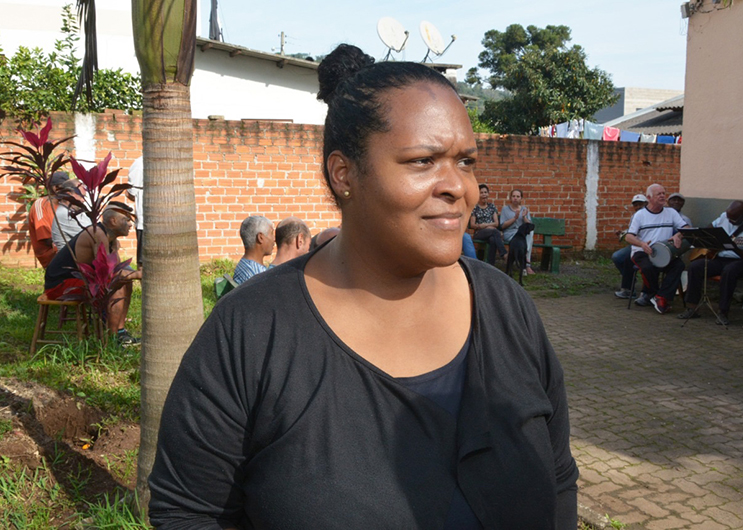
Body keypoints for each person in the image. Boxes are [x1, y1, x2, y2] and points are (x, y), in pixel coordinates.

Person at [149, 44, 578, 529]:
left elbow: (559, 475)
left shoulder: (507, 308)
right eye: (423, 161)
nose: (458, 187)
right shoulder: (251, 331)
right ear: (344, 174)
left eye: (466, 161)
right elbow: (188, 512)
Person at [44, 202, 141, 345]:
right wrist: (138, 275)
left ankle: (120, 332)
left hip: (78, 281)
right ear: (113, 221)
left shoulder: (111, 240)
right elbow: (109, 275)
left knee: (125, 281)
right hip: (60, 285)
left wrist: (132, 272)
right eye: (126, 220)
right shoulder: (97, 234)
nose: (130, 224)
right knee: (117, 284)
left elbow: (115, 269)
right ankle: (112, 339)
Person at [678, 201, 743, 325]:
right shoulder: (724, 217)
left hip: (742, 261)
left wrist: (734, 248)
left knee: (729, 271)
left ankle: (723, 312)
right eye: (729, 218)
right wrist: (711, 239)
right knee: (695, 267)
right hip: (720, 258)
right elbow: (710, 227)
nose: (730, 221)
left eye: (733, 220)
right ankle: (692, 308)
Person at [625, 184, 690, 314]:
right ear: (649, 198)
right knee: (648, 267)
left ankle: (661, 296)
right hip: (643, 252)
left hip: (665, 252)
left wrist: (678, 235)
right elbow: (628, 236)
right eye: (658, 194)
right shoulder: (640, 215)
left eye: (663, 193)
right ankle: (655, 295)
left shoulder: (671, 212)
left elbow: (686, 228)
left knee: (679, 265)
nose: (662, 196)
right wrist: (642, 244)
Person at [27, 171, 69, 267]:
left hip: (66, 248)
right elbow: (48, 240)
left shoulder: (66, 204)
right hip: (51, 255)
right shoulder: (41, 205)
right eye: (67, 188)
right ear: (55, 188)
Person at [613, 193, 647, 298]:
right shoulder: (634, 216)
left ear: (646, 204)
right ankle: (631, 280)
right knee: (617, 257)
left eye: (640, 204)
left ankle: (629, 288)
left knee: (627, 258)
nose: (638, 207)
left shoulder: (650, 215)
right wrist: (623, 233)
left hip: (646, 245)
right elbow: (632, 231)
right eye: (635, 205)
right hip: (635, 244)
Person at [470, 183, 506, 265]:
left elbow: (496, 223)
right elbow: (472, 225)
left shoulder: (492, 207)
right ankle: (504, 253)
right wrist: (483, 226)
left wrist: (486, 226)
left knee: (493, 240)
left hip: (491, 232)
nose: (484, 194)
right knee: (495, 232)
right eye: (481, 193)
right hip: (479, 233)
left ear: (488, 194)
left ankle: (490, 265)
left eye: (485, 192)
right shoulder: (475, 208)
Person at [500, 189, 534, 274]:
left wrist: (524, 217)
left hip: (521, 235)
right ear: (510, 198)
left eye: (518, 196)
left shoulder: (524, 209)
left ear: (521, 198)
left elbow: (530, 226)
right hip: (510, 234)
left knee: (530, 234)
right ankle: (526, 263)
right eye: (513, 196)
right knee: (520, 240)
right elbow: (502, 226)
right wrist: (515, 218)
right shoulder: (505, 209)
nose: (515, 198)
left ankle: (526, 259)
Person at [232, 215, 274, 284]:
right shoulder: (259, 276)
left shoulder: (244, 264)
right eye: (272, 233)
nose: (274, 239)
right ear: (260, 238)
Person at [51, 179, 90, 250]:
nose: (83, 200)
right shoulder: (64, 214)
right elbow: (92, 236)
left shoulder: (76, 210)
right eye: (81, 196)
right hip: (72, 256)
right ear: (69, 195)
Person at [125, 156, 145, 269]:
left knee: (143, 261)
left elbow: (131, 193)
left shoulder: (139, 163)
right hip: (147, 219)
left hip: (145, 220)